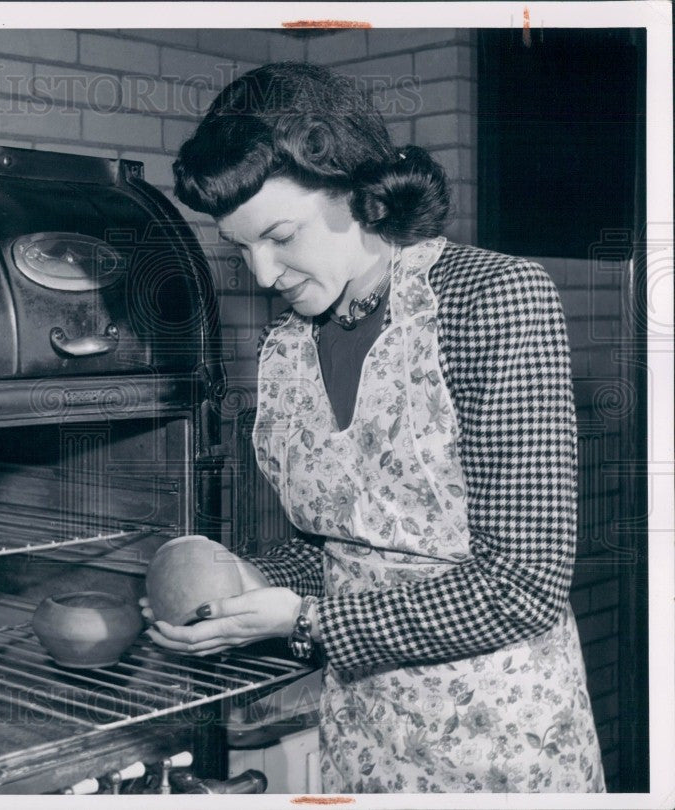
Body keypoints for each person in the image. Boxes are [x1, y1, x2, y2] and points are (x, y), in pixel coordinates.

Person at [142, 62, 606, 793]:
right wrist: (243, 588)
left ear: (358, 193)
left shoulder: (494, 300)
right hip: (364, 732)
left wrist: (302, 621)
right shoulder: (287, 349)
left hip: (502, 738)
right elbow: (340, 550)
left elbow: (522, 584)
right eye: (240, 248)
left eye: (282, 235)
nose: (263, 274)